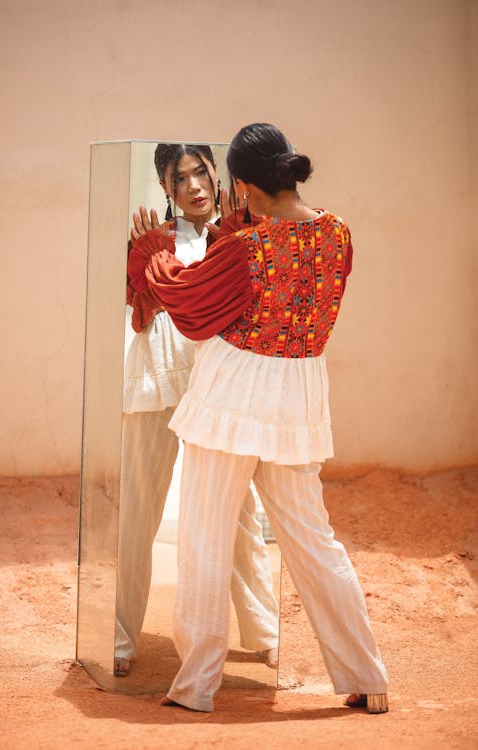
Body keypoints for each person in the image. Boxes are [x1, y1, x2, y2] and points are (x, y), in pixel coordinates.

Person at [127, 123, 389, 714]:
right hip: (298, 394)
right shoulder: (338, 233)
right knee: (314, 541)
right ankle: (367, 676)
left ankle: (195, 689)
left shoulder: (246, 247)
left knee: (204, 539)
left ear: (241, 185)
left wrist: (154, 254)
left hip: (233, 393)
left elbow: (192, 305)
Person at [114, 142, 280, 677]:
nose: (194, 186)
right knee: (139, 506)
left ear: (218, 176)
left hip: (215, 375)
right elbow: (135, 291)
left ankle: (263, 631)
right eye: (179, 178)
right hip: (158, 376)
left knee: (241, 509)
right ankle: (117, 640)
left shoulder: (236, 234)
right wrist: (143, 251)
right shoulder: (151, 240)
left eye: (201, 173)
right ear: (165, 188)